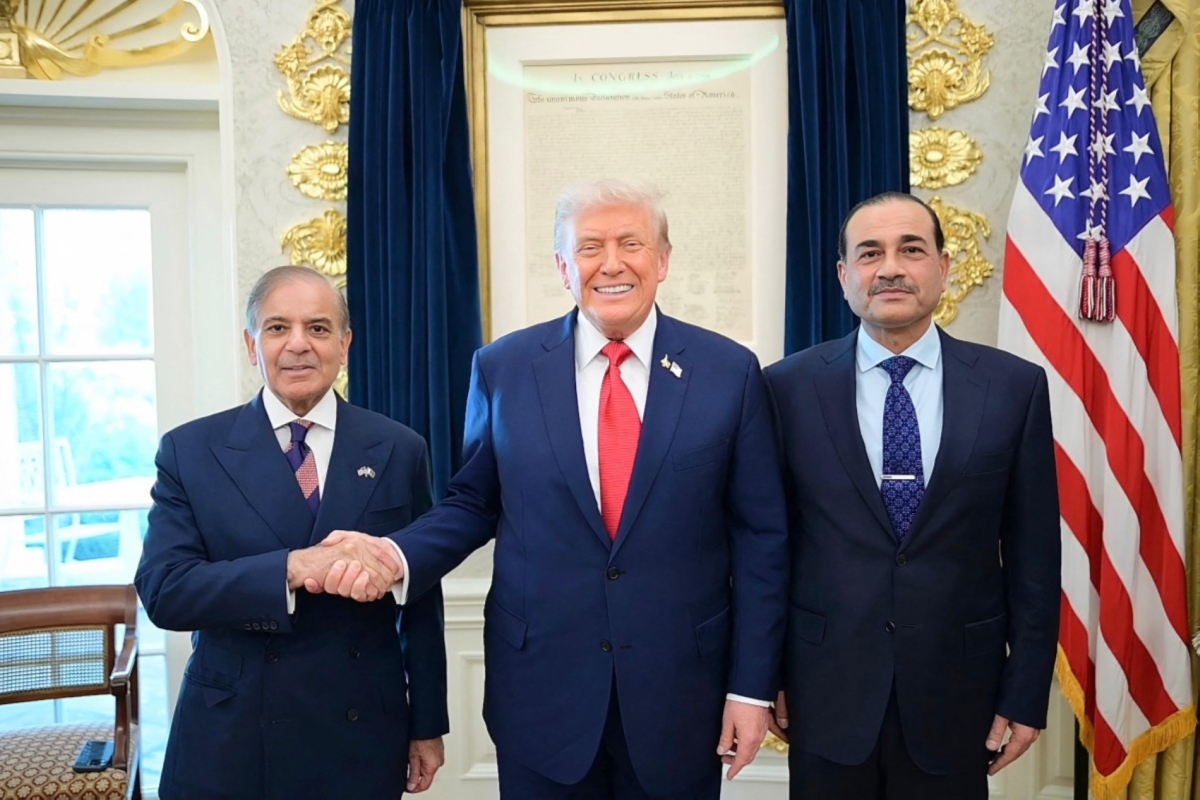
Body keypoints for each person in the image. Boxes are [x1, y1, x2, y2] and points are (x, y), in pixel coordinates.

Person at [318, 179, 789, 798]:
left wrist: (751, 686)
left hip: (681, 695)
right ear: (564, 267)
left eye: (631, 244)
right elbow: (473, 501)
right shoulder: (502, 368)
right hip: (542, 692)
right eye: (590, 247)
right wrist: (393, 555)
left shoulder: (729, 372)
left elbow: (762, 538)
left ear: (664, 260)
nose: (612, 263)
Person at [762, 192, 1061, 799]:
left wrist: (1027, 691)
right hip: (824, 693)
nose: (891, 268)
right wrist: (764, 674)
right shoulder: (784, 389)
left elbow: (1034, 556)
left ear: (943, 269)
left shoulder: (1013, 388)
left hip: (959, 694)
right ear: (845, 276)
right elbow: (767, 548)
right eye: (870, 253)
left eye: (912, 250)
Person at [135, 266, 448, 799]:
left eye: (319, 328)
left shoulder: (400, 448)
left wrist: (427, 723)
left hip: (360, 733)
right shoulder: (190, 451)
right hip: (232, 736)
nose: (298, 345)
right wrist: (294, 568)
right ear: (250, 344)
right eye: (278, 328)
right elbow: (167, 592)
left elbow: (420, 598)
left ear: (345, 344)